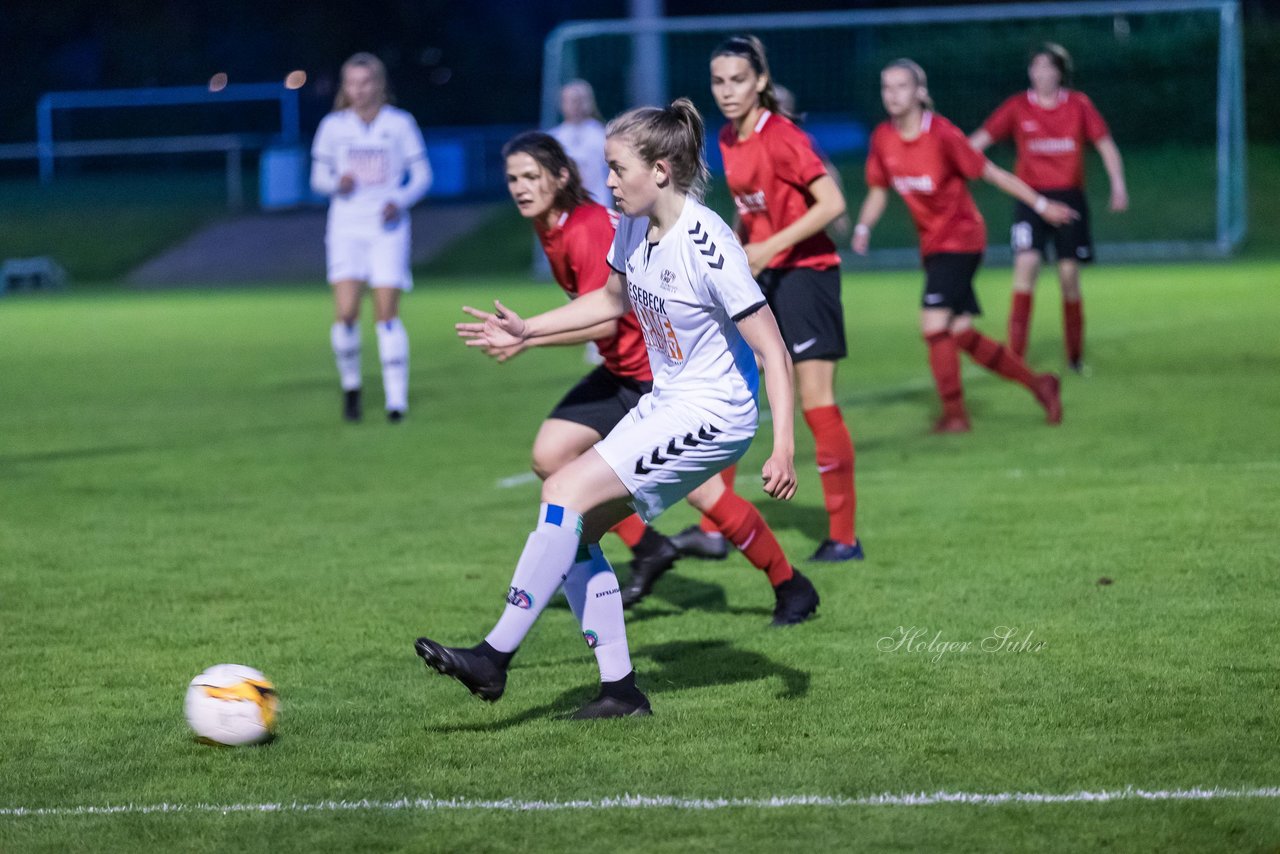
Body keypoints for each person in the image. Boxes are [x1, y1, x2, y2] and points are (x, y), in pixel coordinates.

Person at [416, 99, 807, 719]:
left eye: (618, 168)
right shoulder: (630, 224)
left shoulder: (708, 244)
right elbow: (610, 301)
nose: (609, 181)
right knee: (575, 532)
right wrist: (528, 331)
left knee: (565, 490)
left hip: (715, 414)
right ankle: (620, 692)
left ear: (660, 170)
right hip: (667, 402)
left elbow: (774, 350)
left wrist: (782, 445)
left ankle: (494, 658)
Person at [470, 131, 815, 619]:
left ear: (561, 176)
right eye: (512, 179)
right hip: (624, 372)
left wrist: (528, 336)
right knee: (552, 459)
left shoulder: (591, 228)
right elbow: (608, 302)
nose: (520, 188)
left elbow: (611, 315)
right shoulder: (570, 227)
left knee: (703, 492)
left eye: (531, 176)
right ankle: (646, 553)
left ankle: (788, 582)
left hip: (650, 380)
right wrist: (526, 331)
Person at [693, 35, 861, 564]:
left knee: (816, 401)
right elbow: (753, 207)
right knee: (732, 390)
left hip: (808, 276)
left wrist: (770, 244)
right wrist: (742, 244)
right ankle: (712, 528)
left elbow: (831, 203)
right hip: (763, 276)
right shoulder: (726, 136)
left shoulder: (782, 135)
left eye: (738, 80)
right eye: (719, 81)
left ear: (761, 82)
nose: (727, 90)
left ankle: (844, 538)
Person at [850, 59, 1073, 433]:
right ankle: (1040, 384)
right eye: (886, 87)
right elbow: (878, 190)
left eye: (901, 86)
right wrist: (863, 226)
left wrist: (1041, 204)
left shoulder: (942, 135)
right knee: (960, 332)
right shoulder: (883, 139)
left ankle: (955, 416)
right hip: (933, 246)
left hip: (962, 239)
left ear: (920, 92)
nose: (892, 95)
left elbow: (992, 173)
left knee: (933, 324)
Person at [969, 43, 1127, 372]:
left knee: (1069, 276)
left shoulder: (1079, 105)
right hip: (1029, 199)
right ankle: (1015, 358)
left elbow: (1105, 145)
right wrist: (953, 160)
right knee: (1025, 266)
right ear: (1030, 72)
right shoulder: (1016, 107)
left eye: (1049, 67)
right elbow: (979, 141)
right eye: (1036, 67)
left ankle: (1075, 359)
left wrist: (1118, 183)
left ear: (1060, 73)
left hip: (1069, 200)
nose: (1042, 73)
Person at [310, 53, 431, 423]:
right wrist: (336, 183)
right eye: (352, 83)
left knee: (386, 313)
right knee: (346, 314)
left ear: (380, 84)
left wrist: (400, 200)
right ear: (344, 87)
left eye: (366, 82)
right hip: (347, 228)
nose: (359, 90)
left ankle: (397, 403)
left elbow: (423, 175)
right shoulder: (333, 127)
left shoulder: (400, 124)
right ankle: (351, 389)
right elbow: (317, 179)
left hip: (387, 229)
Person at [550, 79, 610, 206]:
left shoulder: (603, 136)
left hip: (597, 206)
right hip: (565, 207)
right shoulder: (553, 139)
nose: (576, 105)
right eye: (571, 100)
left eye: (581, 100)